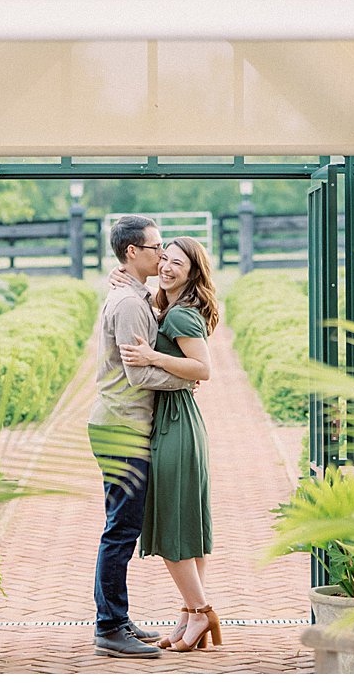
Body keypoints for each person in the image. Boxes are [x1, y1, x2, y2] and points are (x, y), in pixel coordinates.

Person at [88, 215, 199, 659]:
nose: (162, 255)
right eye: (155, 248)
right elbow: (138, 373)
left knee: (121, 527)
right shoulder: (130, 301)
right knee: (121, 530)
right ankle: (109, 627)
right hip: (123, 427)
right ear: (132, 252)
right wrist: (186, 380)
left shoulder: (132, 294)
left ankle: (116, 618)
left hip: (121, 424)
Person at [118, 236, 222, 653]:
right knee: (187, 526)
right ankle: (188, 616)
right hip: (179, 420)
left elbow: (203, 369)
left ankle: (202, 612)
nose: (166, 266)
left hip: (175, 425)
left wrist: (153, 358)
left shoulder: (180, 317)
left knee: (172, 528)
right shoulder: (171, 309)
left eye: (177, 263)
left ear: (193, 271)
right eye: (164, 259)